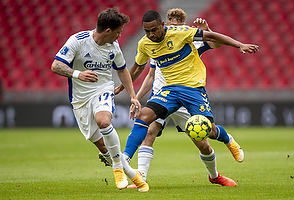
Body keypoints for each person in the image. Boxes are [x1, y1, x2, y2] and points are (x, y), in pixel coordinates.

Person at [116, 9, 259, 187]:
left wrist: (240, 45)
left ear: (162, 26)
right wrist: (126, 88)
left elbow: (213, 40)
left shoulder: (184, 35)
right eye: (147, 31)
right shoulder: (147, 44)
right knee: (144, 120)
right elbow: (140, 69)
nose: (151, 34)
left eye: (154, 30)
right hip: (167, 92)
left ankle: (225, 144)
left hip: (192, 90)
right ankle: (125, 161)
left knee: (207, 135)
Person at [51, 7, 149, 192]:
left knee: (103, 121)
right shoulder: (78, 41)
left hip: (103, 88)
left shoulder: (113, 47)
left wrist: (133, 96)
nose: (120, 36)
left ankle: (118, 169)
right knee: (104, 148)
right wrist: (78, 74)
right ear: (108, 31)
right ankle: (130, 172)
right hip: (80, 98)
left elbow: (121, 70)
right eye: (118, 32)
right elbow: (56, 65)